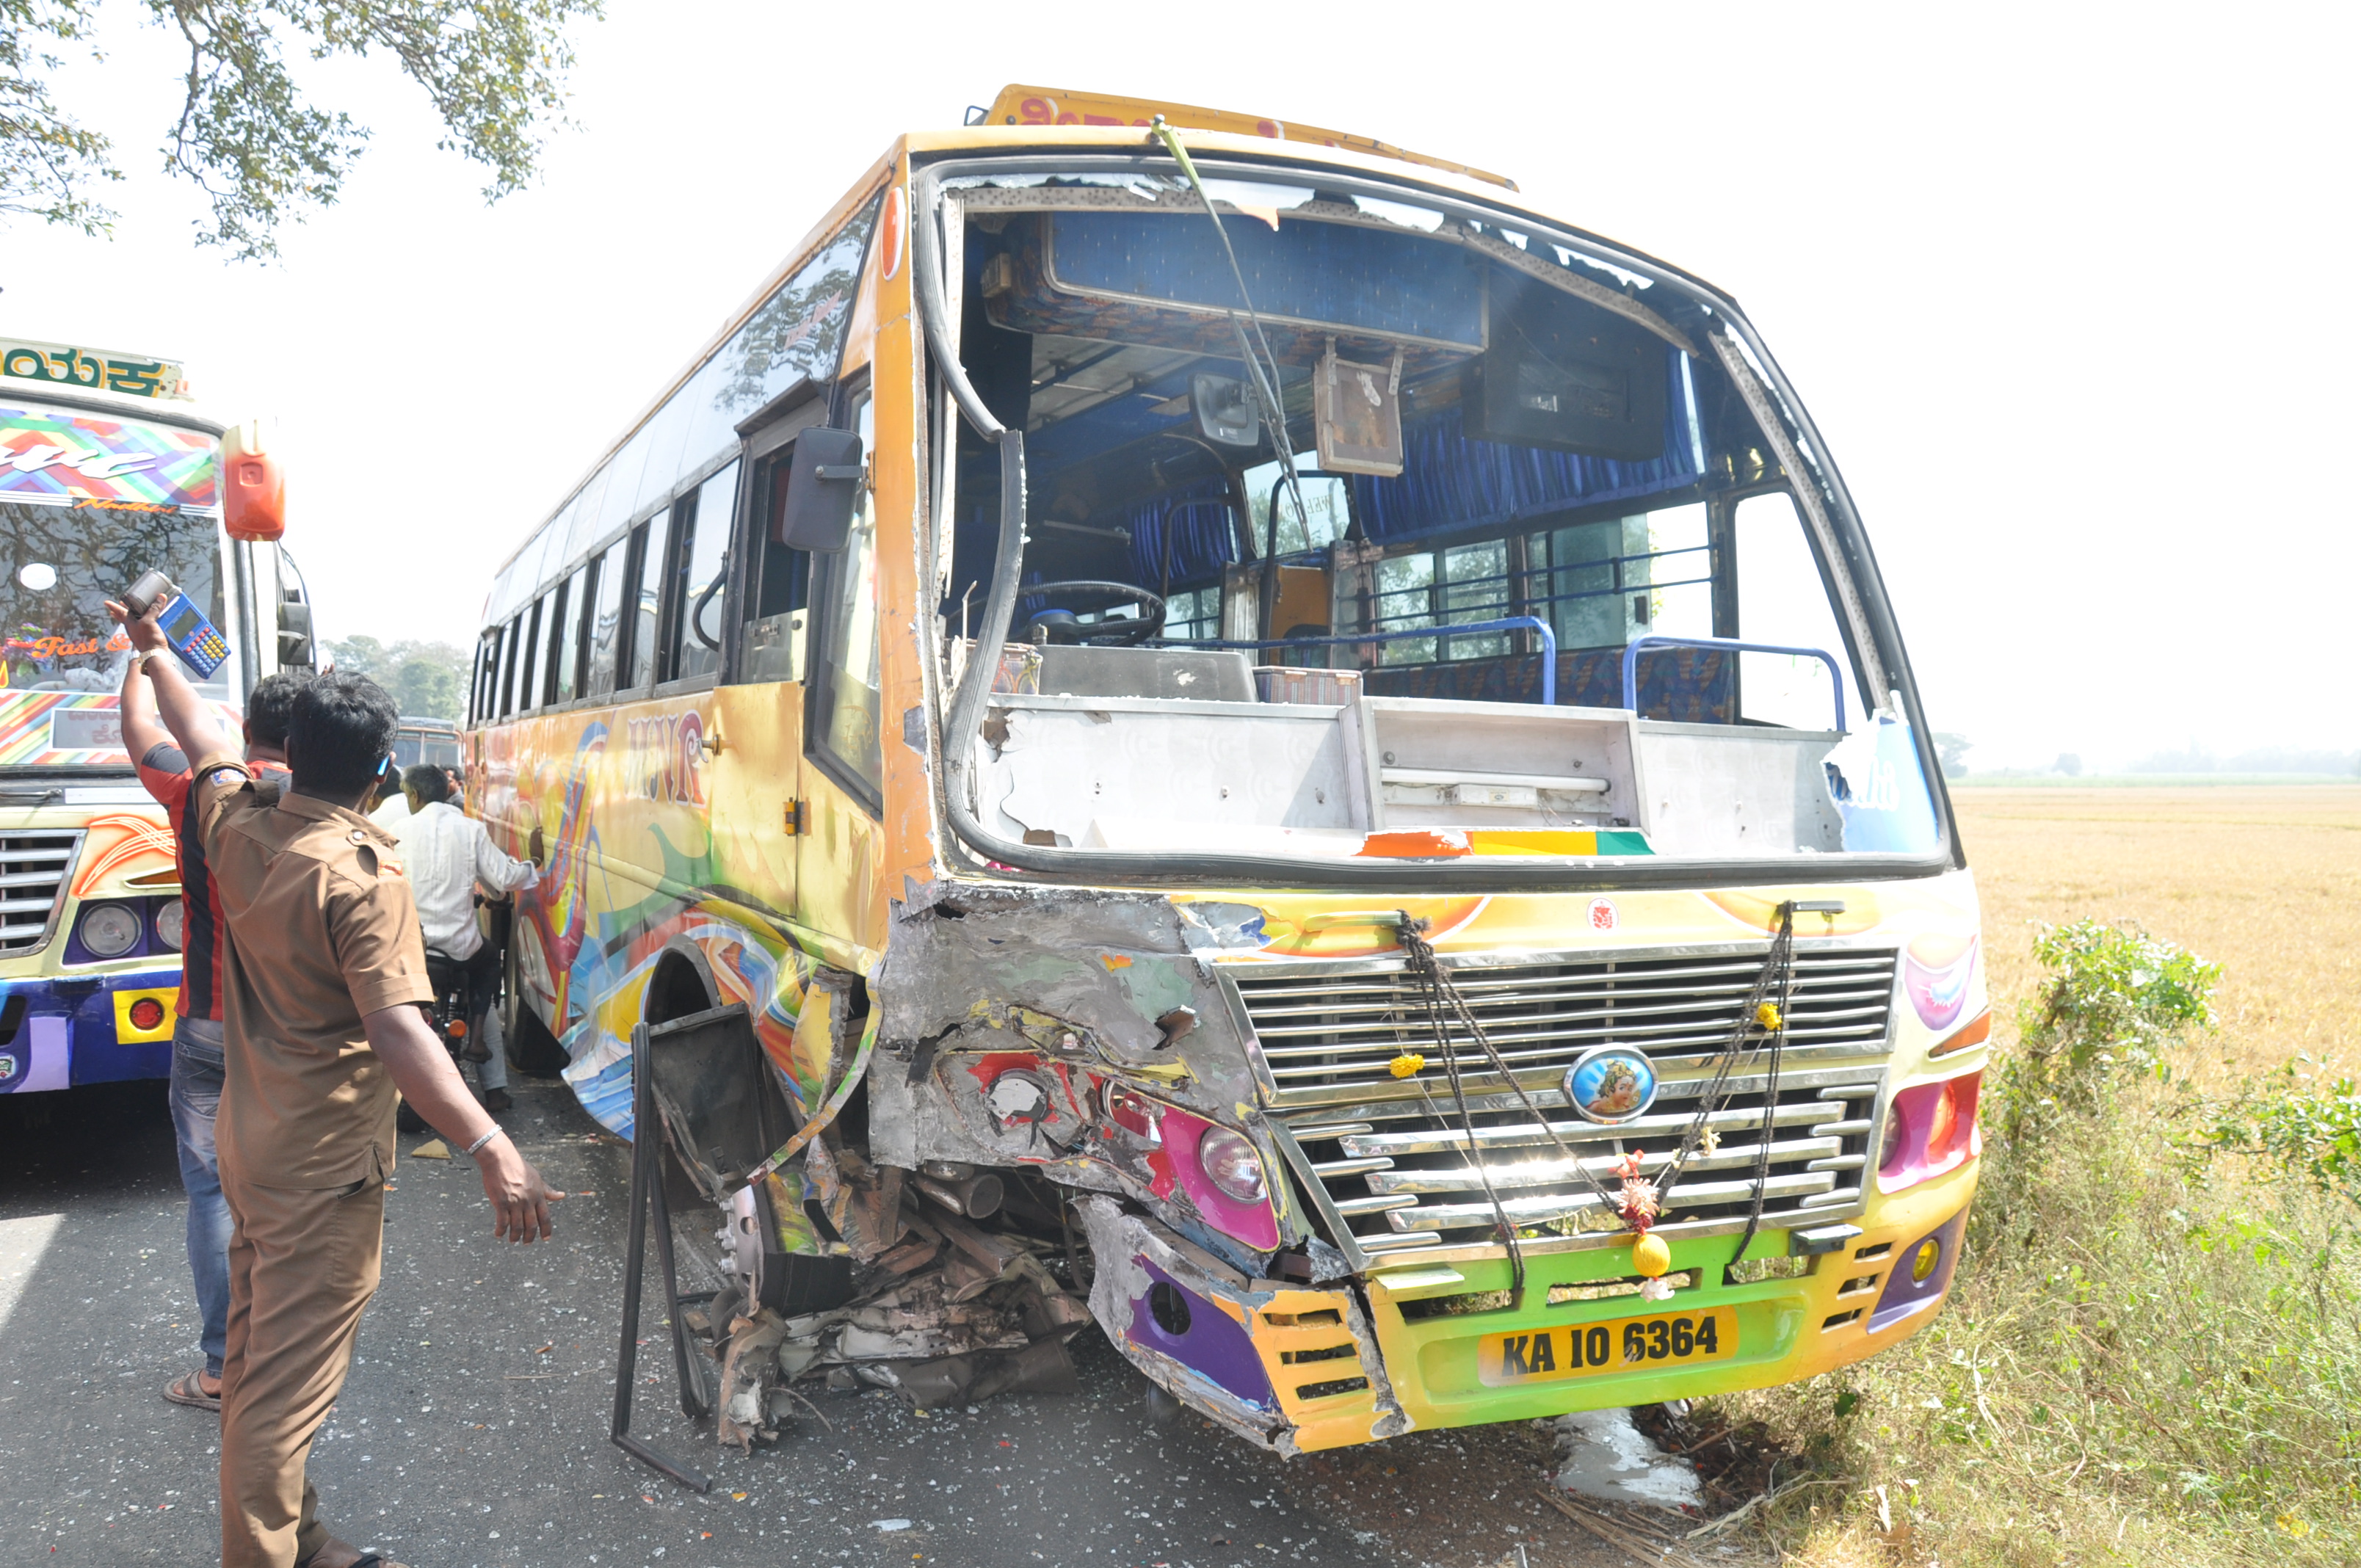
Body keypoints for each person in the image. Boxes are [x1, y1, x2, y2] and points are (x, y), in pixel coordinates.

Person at [110, 598, 561, 1568]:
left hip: (251, 1143)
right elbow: (399, 1029)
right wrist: (492, 1146)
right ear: (380, 774)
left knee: (253, 1361)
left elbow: (197, 733)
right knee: (279, 1398)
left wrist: (151, 652)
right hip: (320, 1171)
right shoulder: (360, 877)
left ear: (286, 755)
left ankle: (303, 1541)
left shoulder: (232, 824)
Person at [121, 662, 311, 1416]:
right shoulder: (326, 804)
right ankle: (289, 1357)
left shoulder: (201, 788)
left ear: (247, 727)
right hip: (292, 1033)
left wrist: (138, 660)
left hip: (208, 1025)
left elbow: (140, 732)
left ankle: (220, 1367)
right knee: (290, 1189)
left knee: (213, 1192)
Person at [390, 762, 537, 1114]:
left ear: (413, 795)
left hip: (414, 951)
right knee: (488, 963)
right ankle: (476, 1046)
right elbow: (503, 879)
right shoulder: (471, 829)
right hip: (460, 952)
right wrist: (533, 862)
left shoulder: (398, 830)